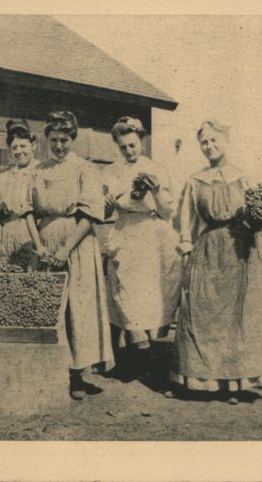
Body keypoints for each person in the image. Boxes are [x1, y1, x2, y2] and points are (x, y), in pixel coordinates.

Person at [171, 120, 262, 404]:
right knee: (204, 312)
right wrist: (185, 246)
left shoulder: (242, 176)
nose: (209, 146)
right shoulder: (195, 180)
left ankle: (235, 384)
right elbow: (187, 218)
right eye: (204, 142)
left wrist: (257, 218)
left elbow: (259, 212)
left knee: (237, 317)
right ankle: (207, 381)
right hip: (208, 250)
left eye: (214, 140)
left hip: (239, 249)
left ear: (225, 140)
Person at [24, 111, 114, 400]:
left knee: (77, 305)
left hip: (76, 241)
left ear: (72, 139)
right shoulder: (38, 170)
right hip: (45, 242)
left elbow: (89, 215)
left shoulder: (85, 169)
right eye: (54, 140)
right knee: (47, 305)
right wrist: (39, 245)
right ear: (46, 140)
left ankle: (77, 374)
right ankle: (50, 370)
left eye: (64, 140)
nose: (59, 146)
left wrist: (65, 250)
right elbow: (28, 210)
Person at [103, 117, 182, 370]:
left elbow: (167, 213)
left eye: (133, 145)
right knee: (125, 287)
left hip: (153, 234)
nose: (129, 151)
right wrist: (107, 200)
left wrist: (156, 191)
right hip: (126, 230)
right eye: (123, 146)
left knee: (151, 292)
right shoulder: (111, 171)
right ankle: (140, 343)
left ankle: (148, 350)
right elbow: (105, 212)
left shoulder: (156, 169)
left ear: (142, 142)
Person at [0, 119, 41, 262]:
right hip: (8, 233)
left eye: (23, 146)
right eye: (14, 147)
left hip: (34, 234)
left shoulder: (42, 171)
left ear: (33, 145)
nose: (19, 151)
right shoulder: (3, 177)